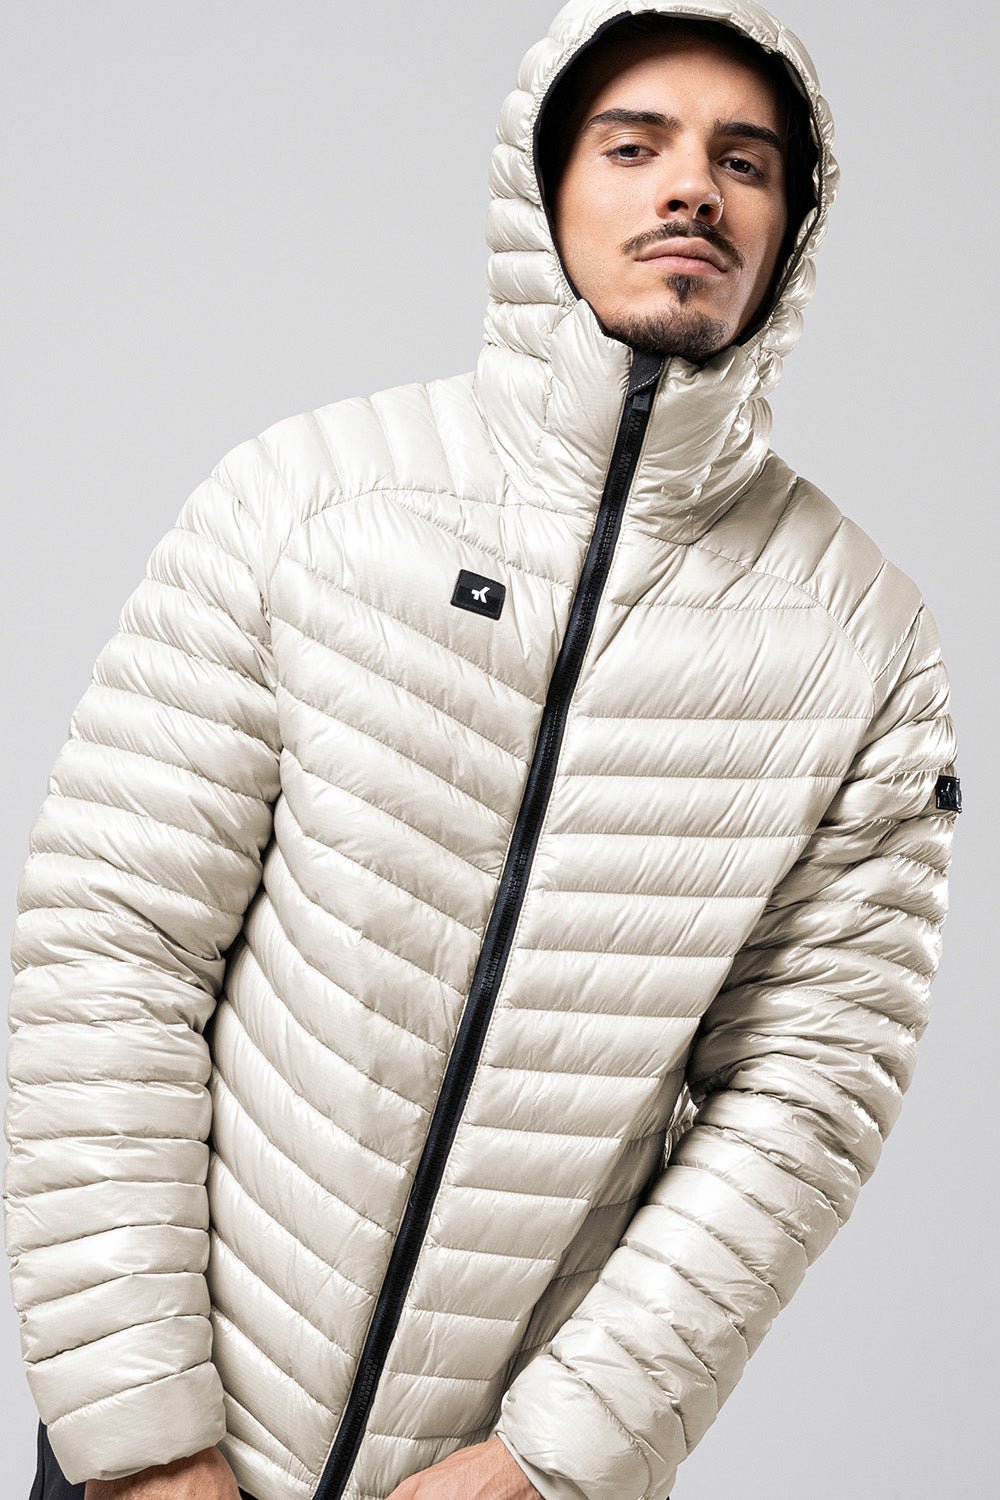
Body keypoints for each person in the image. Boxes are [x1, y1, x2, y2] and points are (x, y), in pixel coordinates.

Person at [4, 1, 962, 1498]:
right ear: (542, 186)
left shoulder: (864, 645)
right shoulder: (303, 506)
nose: (692, 188)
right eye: (633, 146)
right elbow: (109, 949)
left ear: (793, 227)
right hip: (166, 1450)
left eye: (744, 160)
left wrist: (545, 1462)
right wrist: (143, 1436)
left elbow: (805, 1103)